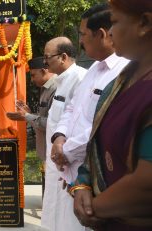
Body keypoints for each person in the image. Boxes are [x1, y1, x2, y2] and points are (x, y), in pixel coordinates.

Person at [73, 1, 152, 230]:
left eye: (115, 22)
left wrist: (93, 209)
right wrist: (83, 185)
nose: (111, 32)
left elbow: (146, 185)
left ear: (145, 23)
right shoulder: (123, 80)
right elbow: (96, 141)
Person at [51, 3, 130, 185]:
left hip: (101, 176)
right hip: (74, 171)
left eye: (82, 34)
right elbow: (72, 108)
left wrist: (66, 152)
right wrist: (59, 137)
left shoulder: (124, 71)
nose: (80, 41)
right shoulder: (94, 68)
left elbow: (105, 126)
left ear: (102, 34)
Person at [40, 37, 87, 231]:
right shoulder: (61, 81)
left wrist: (66, 154)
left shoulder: (80, 78)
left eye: (47, 57)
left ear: (63, 57)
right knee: (55, 214)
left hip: (70, 163)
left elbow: (83, 125)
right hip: (55, 162)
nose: (45, 62)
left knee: (70, 220)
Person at [7, 56, 57, 196]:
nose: (32, 80)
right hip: (46, 152)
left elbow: (52, 124)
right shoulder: (45, 89)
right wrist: (29, 114)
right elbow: (42, 119)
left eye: (33, 75)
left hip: (54, 153)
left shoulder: (56, 88)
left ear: (44, 70)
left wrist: (27, 116)